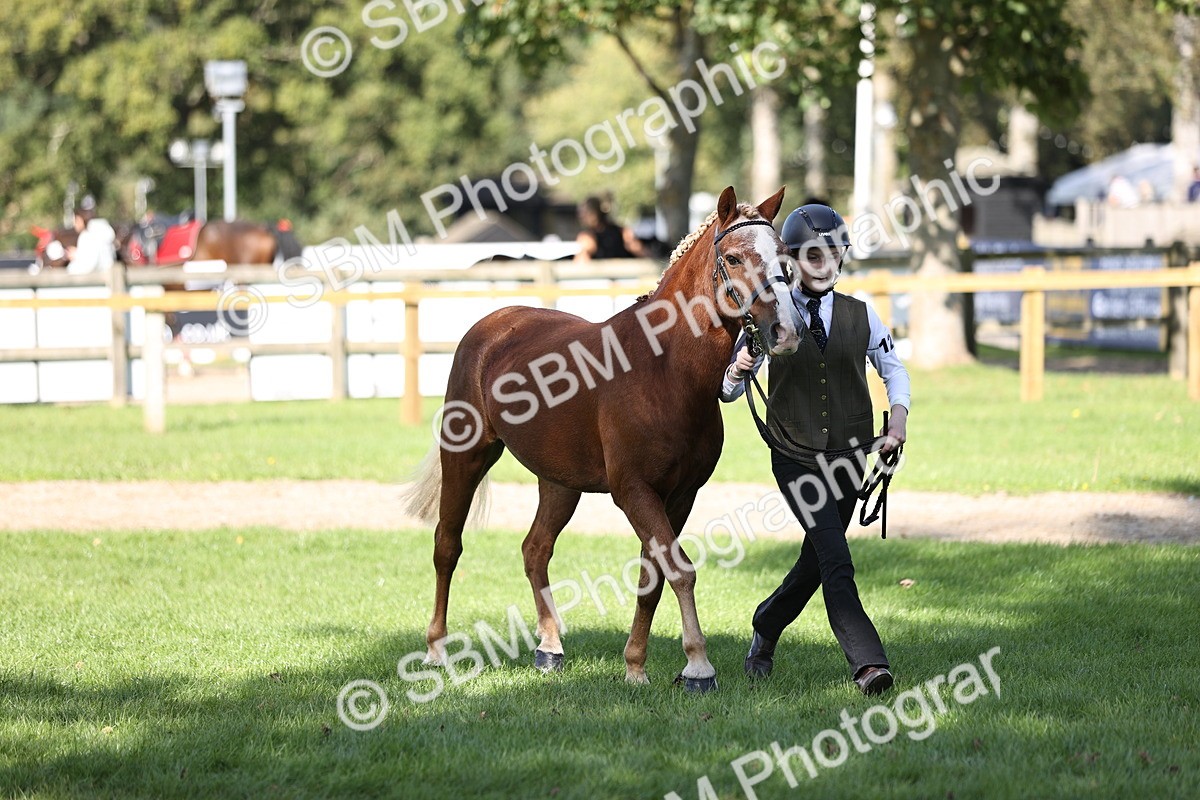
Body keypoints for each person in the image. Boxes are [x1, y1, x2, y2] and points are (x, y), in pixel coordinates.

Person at [720, 203, 911, 696]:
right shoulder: (771, 317)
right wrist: (739, 368)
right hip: (794, 454)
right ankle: (868, 663)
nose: (822, 264)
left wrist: (899, 422)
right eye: (811, 255)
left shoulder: (861, 314)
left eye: (831, 254)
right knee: (835, 556)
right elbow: (728, 391)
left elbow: (893, 370)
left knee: (816, 558)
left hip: (852, 453)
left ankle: (766, 624)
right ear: (791, 260)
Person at [573, 196, 647, 262]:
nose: (580, 217)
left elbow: (580, 265)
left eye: (583, 213)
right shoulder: (623, 232)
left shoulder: (587, 237)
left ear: (594, 214)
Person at [65, 195, 116, 274]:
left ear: (81, 219)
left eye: (76, 219)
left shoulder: (87, 236)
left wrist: (76, 256)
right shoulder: (100, 231)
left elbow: (89, 264)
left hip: (96, 280)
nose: (74, 224)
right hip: (108, 276)